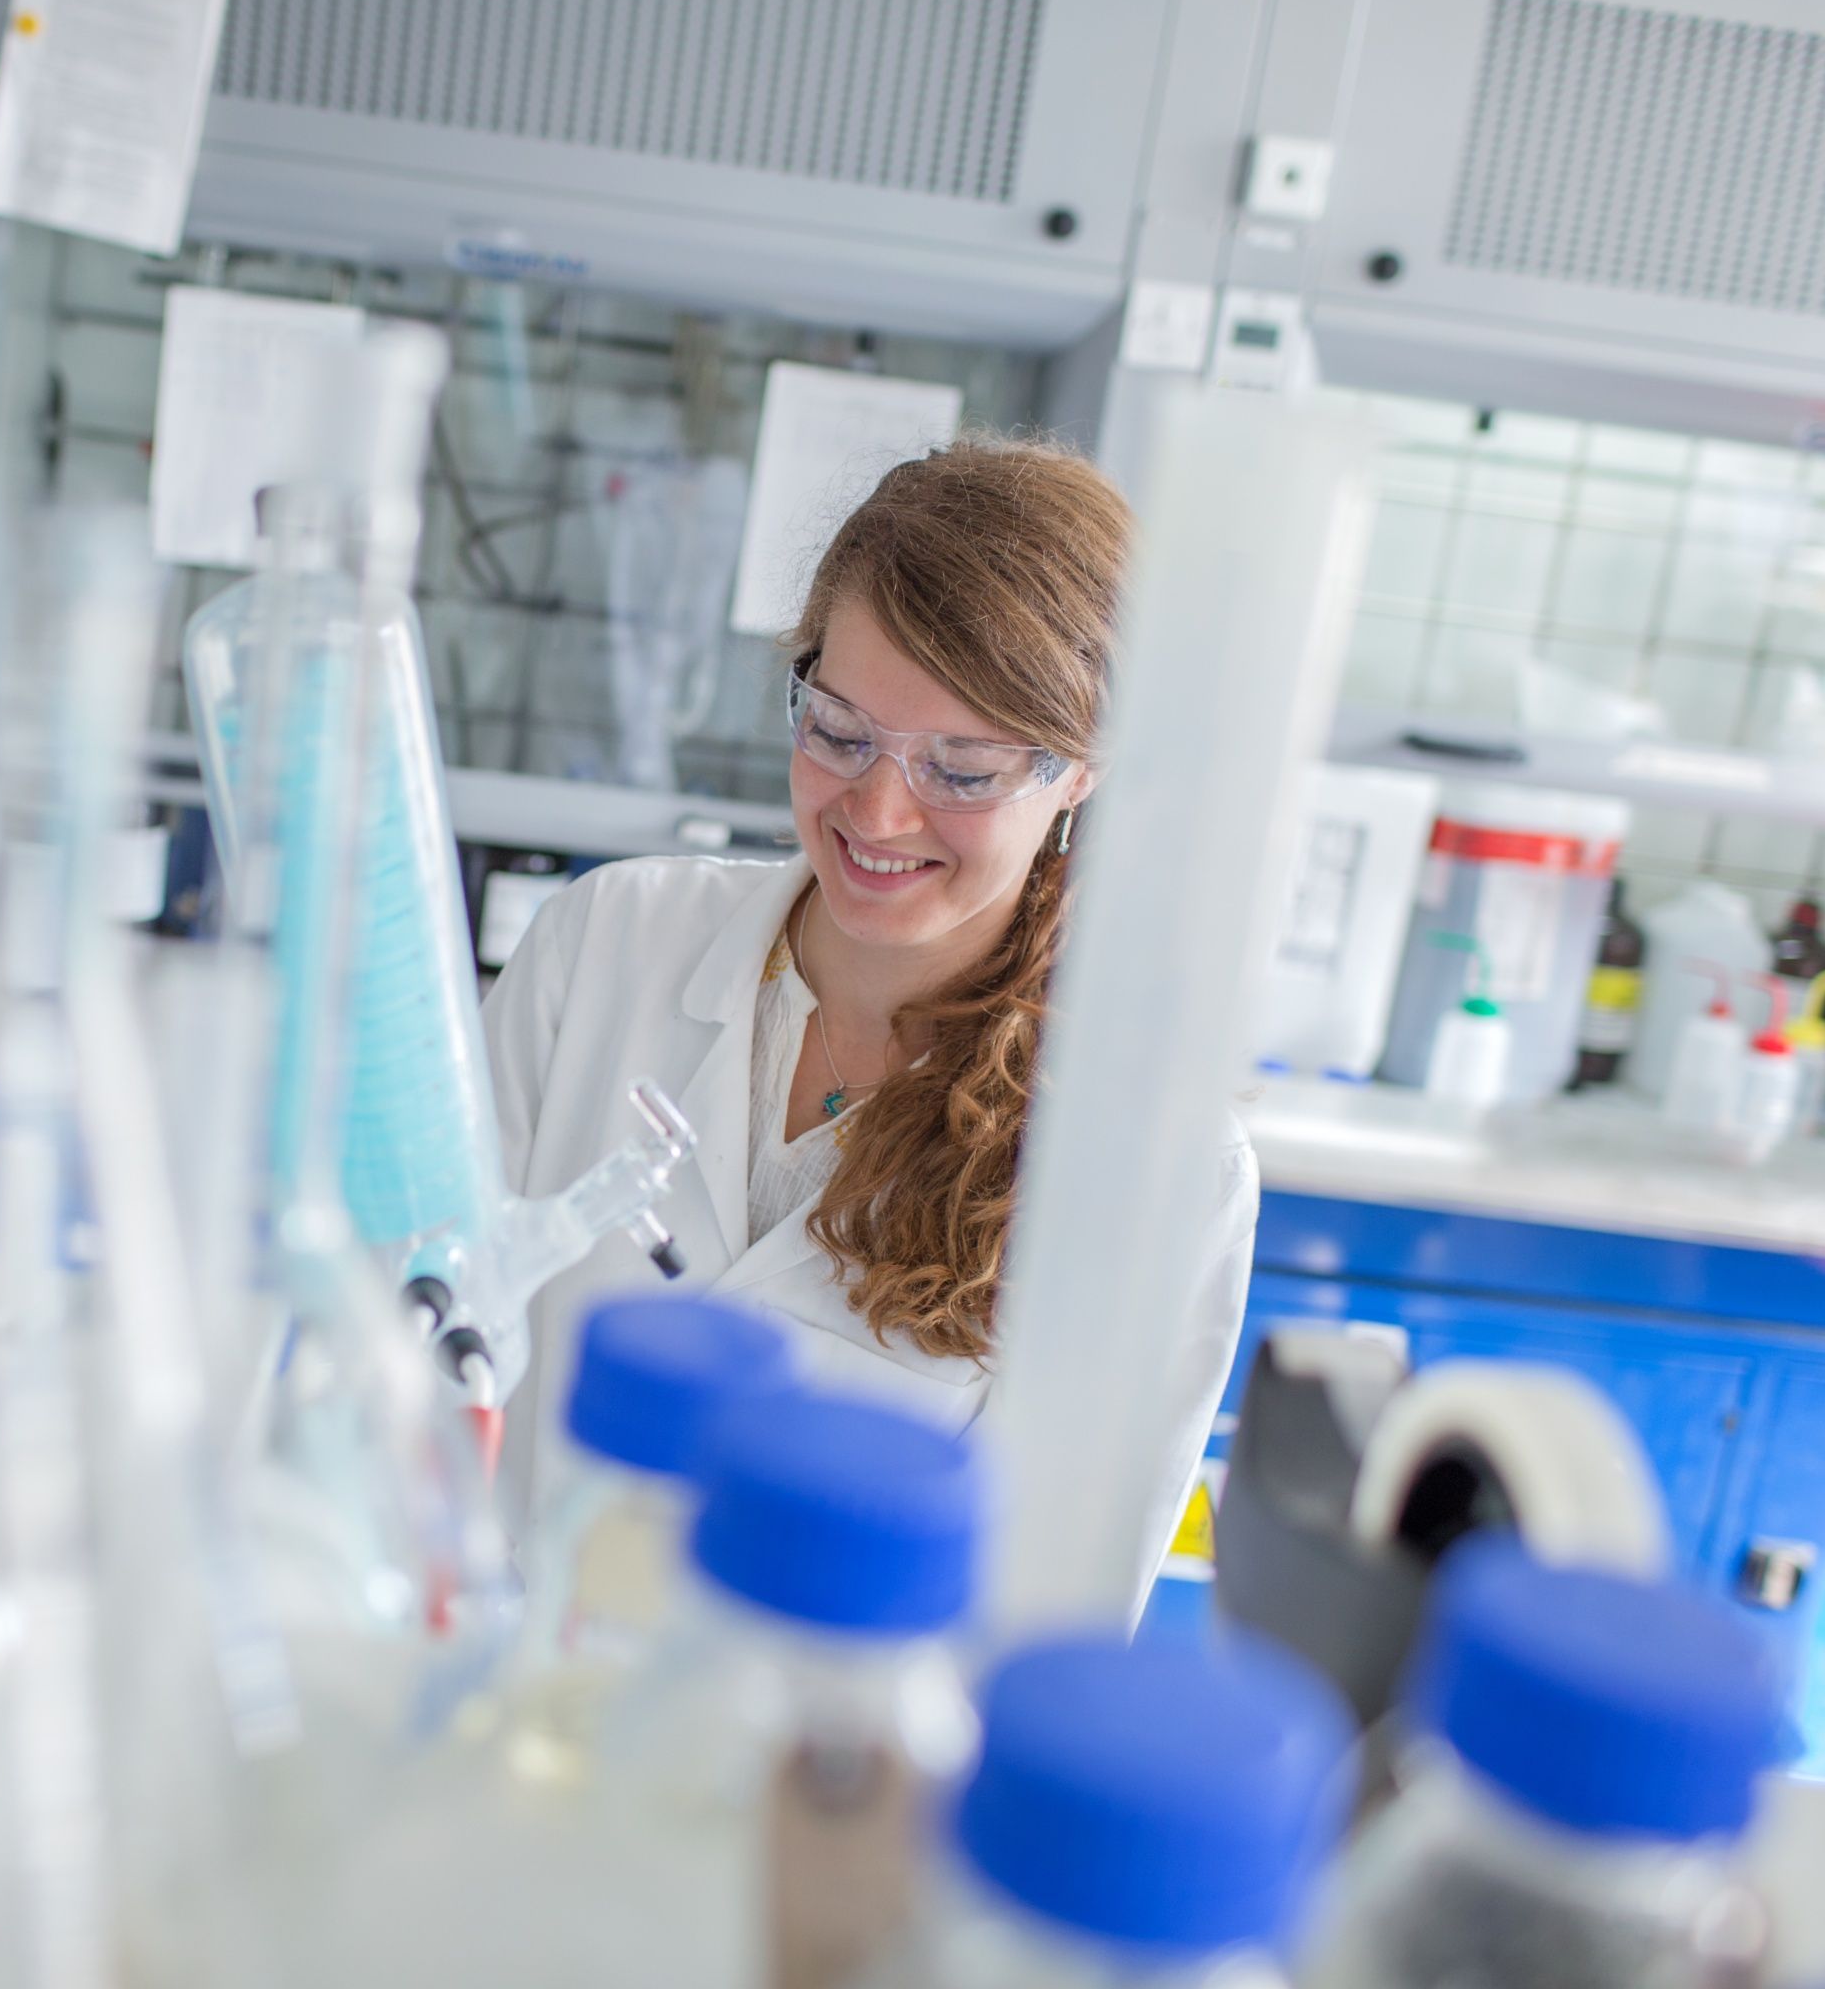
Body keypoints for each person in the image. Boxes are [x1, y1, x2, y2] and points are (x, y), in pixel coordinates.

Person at [482, 433, 1257, 1592]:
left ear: (1084, 768)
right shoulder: (607, 942)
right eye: (838, 731)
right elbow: (413, 1344)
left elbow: (1048, 1612)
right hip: (492, 1714)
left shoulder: (1155, 1165)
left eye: (963, 768)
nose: (878, 811)